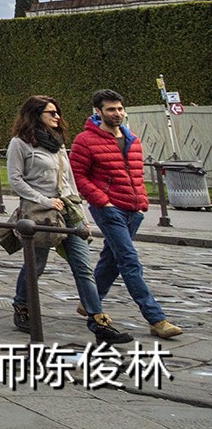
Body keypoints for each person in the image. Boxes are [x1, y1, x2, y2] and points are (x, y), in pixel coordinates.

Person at [8, 94, 132, 344]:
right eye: (51, 113)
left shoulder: (57, 142)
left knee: (83, 267)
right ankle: (22, 305)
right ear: (35, 115)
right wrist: (44, 200)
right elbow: (15, 180)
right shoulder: (20, 144)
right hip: (40, 212)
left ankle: (98, 322)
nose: (57, 117)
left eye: (57, 112)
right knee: (36, 265)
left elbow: (69, 180)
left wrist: (81, 214)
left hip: (68, 209)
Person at [70, 88, 184, 339]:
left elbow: (136, 175)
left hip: (134, 210)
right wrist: (103, 201)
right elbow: (78, 176)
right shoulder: (85, 141)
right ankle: (156, 319)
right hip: (109, 210)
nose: (117, 113)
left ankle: (90, 300)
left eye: (120, 109)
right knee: (129, 261)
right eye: (111, 109)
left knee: (111, 259)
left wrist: (142, 202)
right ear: (98, 112)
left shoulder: (132, 139)